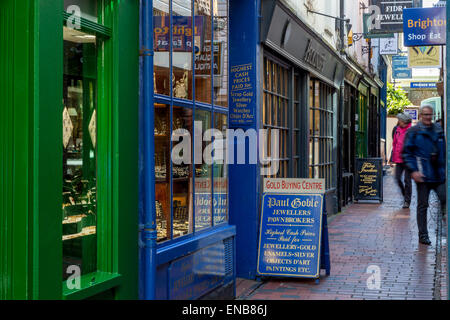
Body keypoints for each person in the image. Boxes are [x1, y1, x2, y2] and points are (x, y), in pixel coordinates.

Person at [402, 104, 446, 245]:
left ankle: (445, 224)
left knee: (445, 199)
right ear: (420, 115)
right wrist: (414, 170)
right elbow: (407, 153)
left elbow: (444, 151)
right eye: (425, 114)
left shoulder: (438, 130)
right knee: (423, 206)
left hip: (438, 174)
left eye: (430, 115)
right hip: (423, 175)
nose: (428, 117)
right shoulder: (414, 132)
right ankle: (423, 235)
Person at [390, 113, 412, 209]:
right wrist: (391, 158)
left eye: (400, 120)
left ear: (405, 121)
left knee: (407, 180)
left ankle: (407, 201)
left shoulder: (411, 131)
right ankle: (405, 195)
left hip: (408, 159)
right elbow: (394, 144)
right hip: (398, 159)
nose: (398, 121)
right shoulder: (396, 129)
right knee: (397, 178)